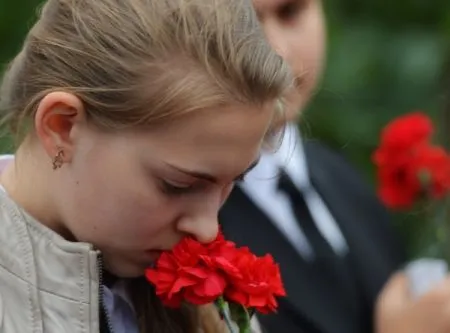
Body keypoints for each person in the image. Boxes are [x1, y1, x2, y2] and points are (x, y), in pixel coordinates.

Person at [0, 0, 292, 332]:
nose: (208, 230)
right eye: (177, 185)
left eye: (232, 184)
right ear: (62, 127)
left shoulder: (203, 307)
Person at [220, 1, 450, 333]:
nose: (276, 50)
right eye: (241, 23)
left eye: (290, 13)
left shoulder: (341, 178)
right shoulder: (180, 228)